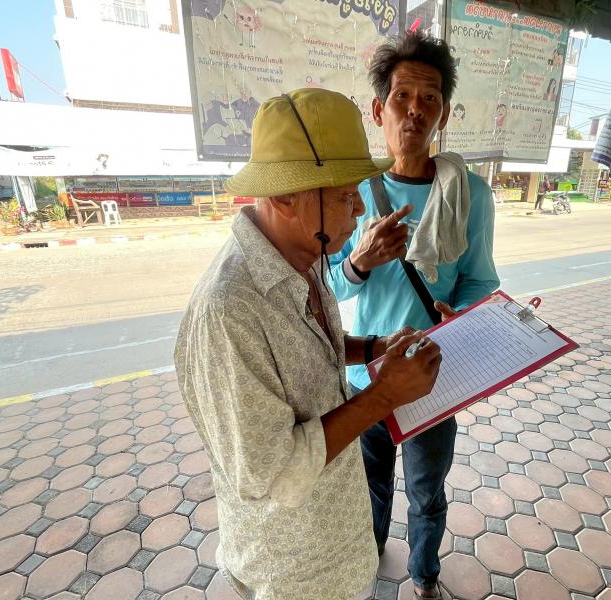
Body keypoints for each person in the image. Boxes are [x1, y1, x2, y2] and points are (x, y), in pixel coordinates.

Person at [174, 88, 443, 600]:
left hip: (340, 538)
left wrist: (374, 348)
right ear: (284, 198)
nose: (359, 208)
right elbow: (273, 473)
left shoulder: (306, 254)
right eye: (344, 196)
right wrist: (385, 395)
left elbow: (310, 346)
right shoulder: (229, 310)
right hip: (295, 573)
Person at [329, 32, 500, 600]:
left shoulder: (470, 194)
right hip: (365, 378)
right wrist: (359, 260)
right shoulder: (352, 191)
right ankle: (370, 558)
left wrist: (462, 316)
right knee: (370, 486)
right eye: (402, 96)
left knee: (427, 493)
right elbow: (326, 284)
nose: (415, 110)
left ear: (443, 113)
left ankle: (424, 576)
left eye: (430, 99)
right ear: (379, 109)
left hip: (432, 377)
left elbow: (481, 280)